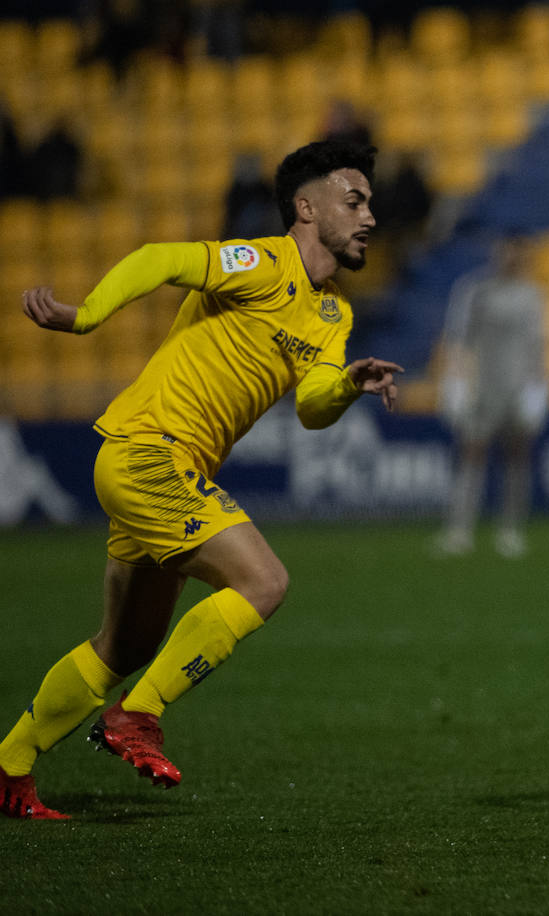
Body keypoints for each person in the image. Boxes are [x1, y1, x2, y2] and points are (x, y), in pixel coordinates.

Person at [1, 139, 403, 820]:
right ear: (307, 208)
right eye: (353, 200)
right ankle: (139, 716)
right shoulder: (260, 262)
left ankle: (10, 767)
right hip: (146, 452)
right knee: (265, 582)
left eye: (370, 203)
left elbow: (311, 407)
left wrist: (348, 387)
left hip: (162, 469)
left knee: (122, 647)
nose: (369, 215)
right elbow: (162, 259)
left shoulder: (333, 312)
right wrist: (88, 316)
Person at [435, 234, 549, 559]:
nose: (511, 258)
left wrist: (537, 389)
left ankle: (511, 530)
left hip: (517, 385)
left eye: (517, 252)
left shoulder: (533, 295)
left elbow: (538, 344)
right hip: (482, 384)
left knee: (517, 456)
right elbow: (459, 338)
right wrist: (455, 383)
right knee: (472, 452)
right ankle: (459, 530)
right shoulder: (475, 290)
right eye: (506, 251)